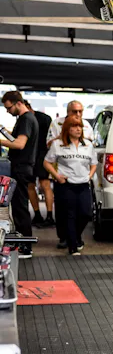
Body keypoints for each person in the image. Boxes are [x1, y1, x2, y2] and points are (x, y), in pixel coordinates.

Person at [43, 116, 97, 256]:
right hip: (66, 185)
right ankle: (72, 246)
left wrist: (89, 176)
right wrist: (57, 176)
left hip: (83, 184)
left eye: (80, 126)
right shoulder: (58, 144)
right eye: (74, 126)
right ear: (67, 129)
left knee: (86, 214)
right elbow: (47, 162)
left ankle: (75, 236)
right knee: (70, 215)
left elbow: (94, 163)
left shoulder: (88, 145)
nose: (78, 129)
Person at [1, 91, 39, 258]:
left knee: (20, 207)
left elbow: (19, 144)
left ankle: (26, 246)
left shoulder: (26, 119)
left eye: (9, 108)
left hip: (21, 168)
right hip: (23, 167)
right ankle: (23, 243)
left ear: (18, 103)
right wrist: (3, 131)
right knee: (18, 206)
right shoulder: (26, 119)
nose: (8, 111)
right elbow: (15, 139)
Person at [24, 101, 55, 228]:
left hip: (38, 155)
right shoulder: (44, 118)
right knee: (37, 185)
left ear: (27, 107)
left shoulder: (29, 119)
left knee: (40, 184)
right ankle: (44, 215)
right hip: (39, 155)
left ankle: (44, 215)